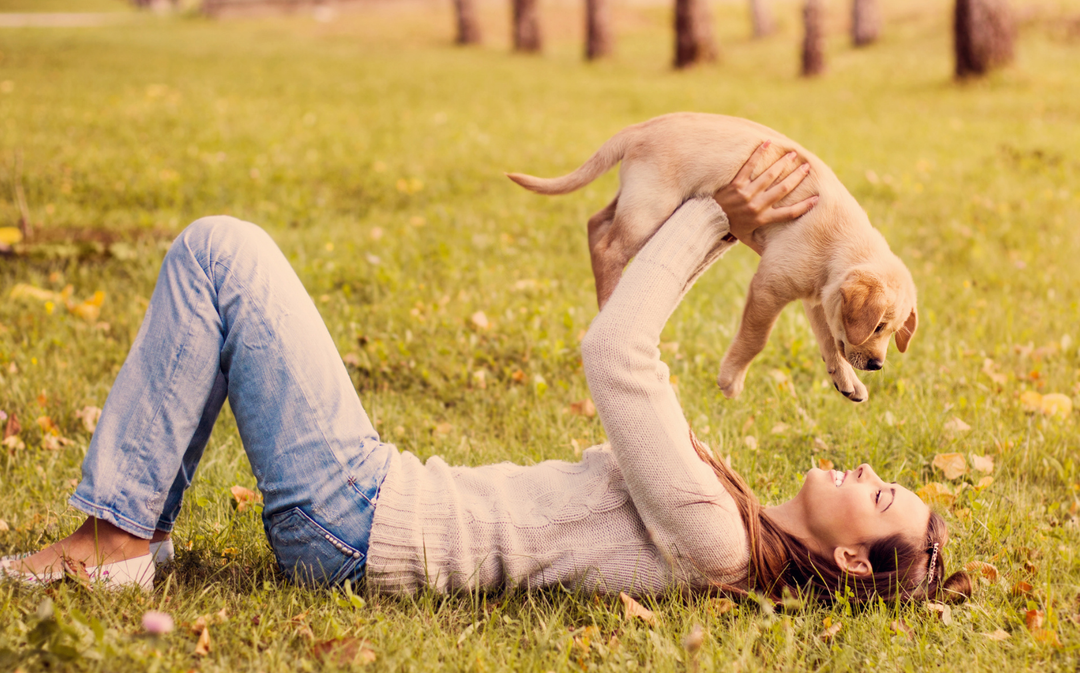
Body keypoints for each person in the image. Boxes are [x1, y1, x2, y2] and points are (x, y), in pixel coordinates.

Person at [1, 145, 970, 603]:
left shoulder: (718, 539)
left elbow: (615, 359)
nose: (860, 470)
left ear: (851, 557)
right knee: (226, 262)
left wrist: (719, 214)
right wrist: (699, 229)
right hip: (370, 504)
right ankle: (128, 535)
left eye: (879, 494)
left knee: (223, 253)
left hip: (358, 525)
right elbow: (629, 365)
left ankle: (115, 546)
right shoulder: (726, 524)